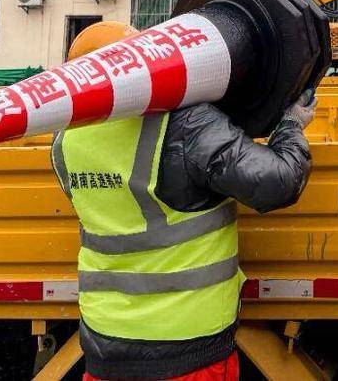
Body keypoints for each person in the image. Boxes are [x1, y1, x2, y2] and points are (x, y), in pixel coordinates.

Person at [50, 21, 318, 381]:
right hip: (187, 342)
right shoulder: (184, 123)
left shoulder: (65, 141)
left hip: (104, 338)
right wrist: (291, 126)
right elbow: (277, 182)